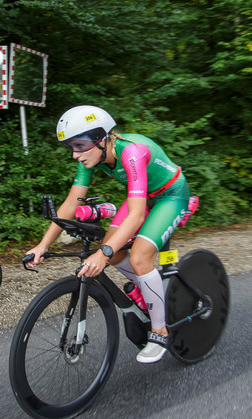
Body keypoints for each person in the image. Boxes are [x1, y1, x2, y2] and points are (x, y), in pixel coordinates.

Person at [24, 105, 191, 364]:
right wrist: (43, 245)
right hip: (145, 197)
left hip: (171, 195)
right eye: (70, 147)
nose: (74, 155)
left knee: (138, 257)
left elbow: (135, 215)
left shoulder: (131, 152)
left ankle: (160, 330)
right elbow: (71, 203)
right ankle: (147, 286)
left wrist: (103, 253)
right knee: (112, 253)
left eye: (79, 145)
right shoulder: (93, 156)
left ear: (101, 138)